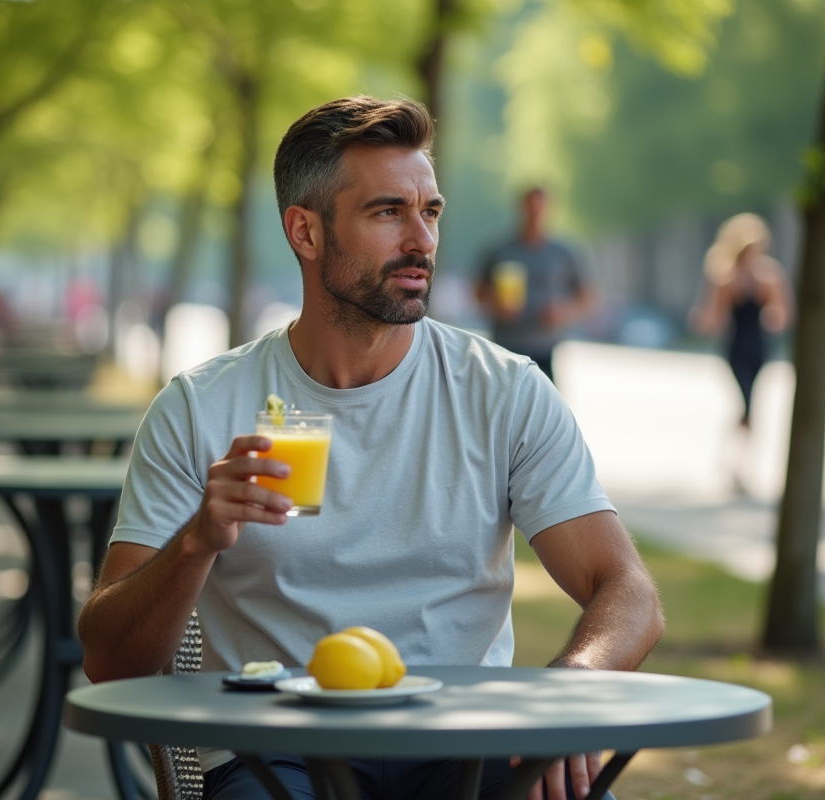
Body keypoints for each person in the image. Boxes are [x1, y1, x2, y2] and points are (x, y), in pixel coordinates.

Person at [78, 96, 664, 800]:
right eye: (388, 212)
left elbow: (629, 592)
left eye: (431, 211)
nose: (422, 239)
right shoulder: (199, 407)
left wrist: (566, 695)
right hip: (275, 748)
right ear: (306, 232)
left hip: (463, 741)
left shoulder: (504, 392)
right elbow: (111, 660)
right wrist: (199, 540)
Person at [689, 213, 792, 493]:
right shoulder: (724, 276)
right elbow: (713, 316)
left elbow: (782, 312)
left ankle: (738, 464)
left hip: (760, 347)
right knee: (746, 405)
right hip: (736, 348)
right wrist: (702, 321)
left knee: (750, 407)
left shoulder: (769, 274)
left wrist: (775, 316)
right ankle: (736, 465)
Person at [474, 188, 595, 383]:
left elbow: (587, 297)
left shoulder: (564, 253)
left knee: (542, 408)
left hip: (544, 348)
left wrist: (563, 312)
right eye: (530, 208)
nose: (534, 215)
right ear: (521, 209)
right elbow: (478, 292)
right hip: (504, 346)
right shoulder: (499, 251)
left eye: (539, 209)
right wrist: (496, 306)